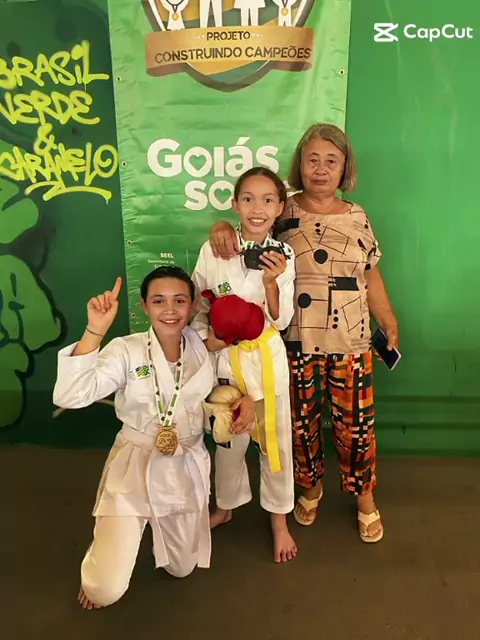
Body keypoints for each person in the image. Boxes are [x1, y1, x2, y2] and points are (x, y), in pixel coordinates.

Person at [208, 124, 399, 543]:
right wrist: (220, 224)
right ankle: (310, 489)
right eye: (312, 160)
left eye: (331, 161)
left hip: (351, 342)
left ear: (345, 168)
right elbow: (246, 230)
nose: (321, 169)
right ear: (300, 165)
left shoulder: (358, 216)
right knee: (300, 427)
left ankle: (365, 499)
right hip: (294, 343)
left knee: (356, 428)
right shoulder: (282, 211)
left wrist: (387, 319)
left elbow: (370, 272)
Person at [53, 266, 255, 609]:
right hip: (136, 463)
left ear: (192, 306)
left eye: (179, 300)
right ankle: (109, 544)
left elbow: (216, 390)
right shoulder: (127, 350)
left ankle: (143, 530)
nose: (170, 310)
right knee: (104, 590)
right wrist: (95, 330)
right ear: (144, 306)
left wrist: (243, 400)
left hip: (184, 465)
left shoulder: (202, 348)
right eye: (159, 301)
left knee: (183, 568)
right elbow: (70, 395)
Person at [190, 166, 298, 563]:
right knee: (228, 440)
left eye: (268, 200)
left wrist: (271, 282)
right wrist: (208, 340)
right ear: (234, 204)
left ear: (280, 207)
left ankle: (279, 519)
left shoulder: (284, 255)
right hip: (224, 358)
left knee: (275, 444)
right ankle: (226, 506)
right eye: (248, 199)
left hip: (265, 361)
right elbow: (199, 303)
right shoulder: (213, 248)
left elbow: (281, 321)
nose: (257, 209)